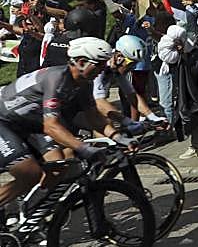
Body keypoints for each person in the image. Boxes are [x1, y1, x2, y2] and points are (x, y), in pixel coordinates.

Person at [0, 37, 116, 213]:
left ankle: (31, 218)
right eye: (99, 64)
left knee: (57, 166)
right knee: (29, 173)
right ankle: (12, 208)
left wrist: (118, 137)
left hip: (28, 124)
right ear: (82, 62)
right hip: (4, 121)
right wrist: (84, 148)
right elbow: (51, 126)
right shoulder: (56, 78)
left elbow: (94, 118)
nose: (102, 70)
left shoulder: (83, 83)